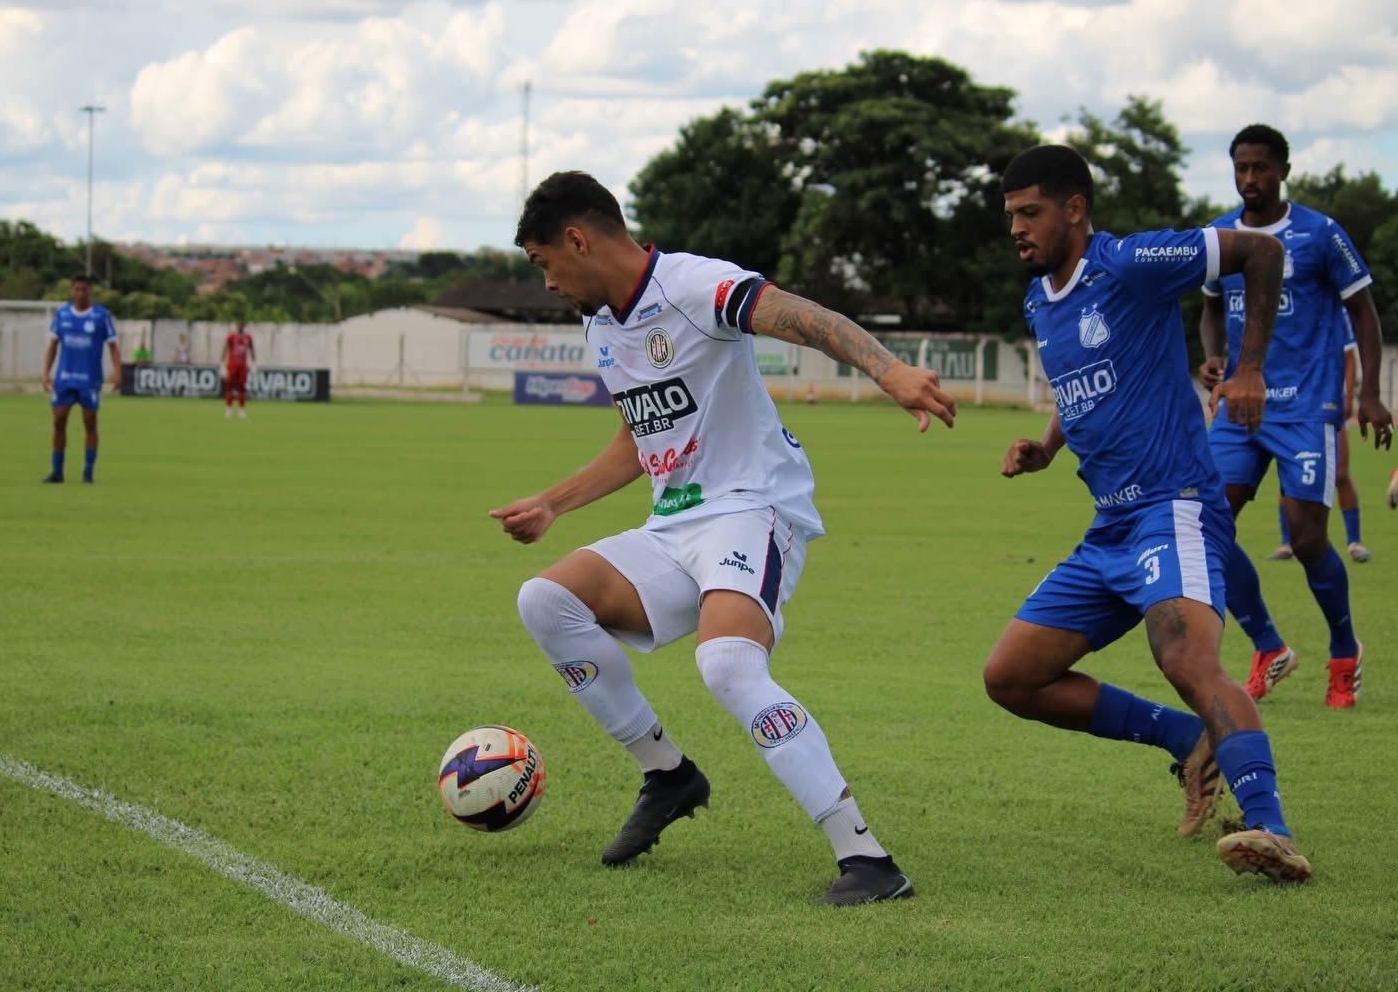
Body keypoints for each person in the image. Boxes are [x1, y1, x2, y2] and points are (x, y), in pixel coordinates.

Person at [489, 170, 956, 905]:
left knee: (729, 663)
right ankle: (668, 774)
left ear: (578, 238)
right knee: (545, 600)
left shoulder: (693, 284)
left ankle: (866, 857)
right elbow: (639, 437)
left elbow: (800, 314)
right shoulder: (601, 321)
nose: (546, 282)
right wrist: (553, 502)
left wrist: (889, 370)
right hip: (675, 522)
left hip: (755, 506)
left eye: (545, 261)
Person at [989, 144, 1310, 883]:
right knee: (1010, 675)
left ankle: (1270, 824)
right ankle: (1184, 737)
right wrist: (1043, 447)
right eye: (1010, 215)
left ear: (1074, 208)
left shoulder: (1129, 262)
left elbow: (1260, 251)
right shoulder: (1040, 298)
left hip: (1175, 507)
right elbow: (1085, 384)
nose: (1017, 228)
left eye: (1029, 211)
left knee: (1186, 656)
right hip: (1108, 528)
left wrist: (1250, 364)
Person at [1198, 124, 1392, 709]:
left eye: (1261, 167)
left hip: (1308, 406)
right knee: (1204, 524)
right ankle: (1268, 646)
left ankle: (1343, 650)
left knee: (1308, 540)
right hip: (1239, 406)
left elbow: (1364, 312)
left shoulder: (1320, 234)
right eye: (1241, 168)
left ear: (1284, 170)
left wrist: (1371, 394)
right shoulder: (1220, 236)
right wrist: (1212, 357)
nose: (1250, 178)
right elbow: (1209, 309)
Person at [1267, 317, 1369, 563]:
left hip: (1323, 403)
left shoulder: (1332, 311)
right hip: (1290, 406)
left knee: (1341, 475)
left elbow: (1349, 356)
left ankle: (1355, 542)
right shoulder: (1279, 313)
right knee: (1287, 477)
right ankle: (1287, 543)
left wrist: (1348, 397)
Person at [41, 275, 121, 484]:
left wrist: (118, 372)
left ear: (90, 291)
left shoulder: (101, 315)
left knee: (90, 424)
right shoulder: (62, 313)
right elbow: (53, 346)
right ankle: (57, 471)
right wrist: (45, 373)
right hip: (64, 378)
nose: (80, 293)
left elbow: (113, 347)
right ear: (71, 291)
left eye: (84, 290)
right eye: (76, 289)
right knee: (58, 421)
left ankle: (88, 471)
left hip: (90, 379)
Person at [221, 319, 256, 419]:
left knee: (242, 388)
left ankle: (241, 410)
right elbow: (225, 349)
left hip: (242, 366)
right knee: (230, 387)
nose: (240, 326)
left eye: (242, 324)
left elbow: (252, 349)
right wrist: (222, 365)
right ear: (236, 325)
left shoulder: (248, 337)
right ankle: (228, 409)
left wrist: (254, 363)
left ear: (244, 325)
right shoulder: (231, 336)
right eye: (239, 324)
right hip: (232, 365)